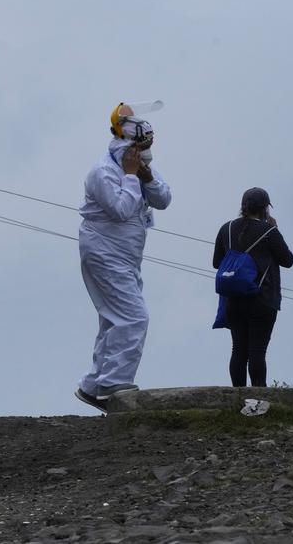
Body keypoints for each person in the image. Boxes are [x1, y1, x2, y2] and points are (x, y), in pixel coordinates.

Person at [75, 102, 172, 412]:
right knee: (134, 317)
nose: (144, 156)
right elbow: (120, 210)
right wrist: (131, 177)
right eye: (140, 150)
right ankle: (115, 386)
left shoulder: (137, 167)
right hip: (104, 252)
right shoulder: (102, 172)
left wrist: (145, 177)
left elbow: (164, 199)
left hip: (126, 258)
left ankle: (93, 385)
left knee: (112, 321)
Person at [213, 188, 293, 387]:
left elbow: (217, 262)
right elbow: (288, 260)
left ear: (243, 207)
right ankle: (258, 398)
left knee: (238, 349)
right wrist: (275, 230)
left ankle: (237, 397)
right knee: (257, 351)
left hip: (234, 299)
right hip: (262, 299)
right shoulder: (269, 232)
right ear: (265, 209)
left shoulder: (226, 229)